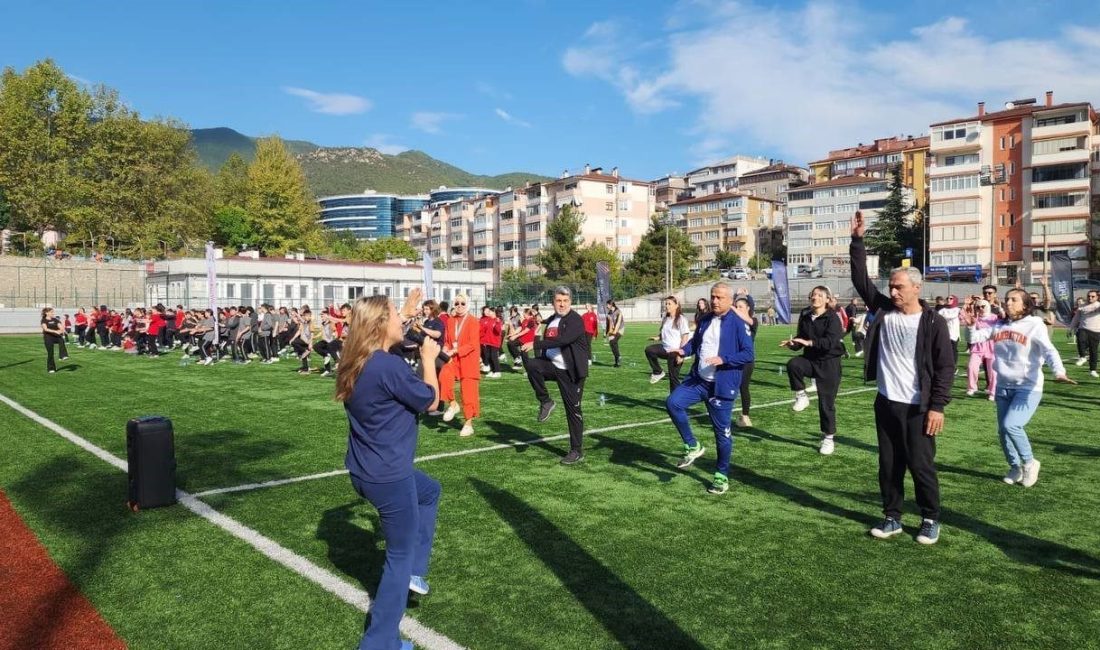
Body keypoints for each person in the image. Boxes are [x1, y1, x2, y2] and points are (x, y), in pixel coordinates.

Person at [335, 291, 441, 650]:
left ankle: (415, 572)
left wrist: (407, 313)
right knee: (398, 557)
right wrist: (429, 360)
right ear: (381, 324)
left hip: (364, 471)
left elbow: (390, 341)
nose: (402, 320)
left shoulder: (356, 358)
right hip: (389, 476)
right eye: (396, 314)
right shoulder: (387, 366)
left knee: (429, 491)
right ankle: (379, 642)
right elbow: (431, 400)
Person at [850, 211, 954, 545]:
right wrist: (857, 241)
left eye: (899, 287)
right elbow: (861, 280)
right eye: (891, 286)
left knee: (921, 465)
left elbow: (945, 367)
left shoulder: (934, 322)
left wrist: (937, 406)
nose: (893, 291)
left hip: (919, 407)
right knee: (889, 464)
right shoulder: (883, 310)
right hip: (887, 402)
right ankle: (892, 516)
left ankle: (930, 518)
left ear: (916, 288)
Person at [968, 289, 1076, 487]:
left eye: (1014, 300)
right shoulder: (999, 325)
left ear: (1025, 305)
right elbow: (975, 338)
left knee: (1012, 425)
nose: (1008, 302)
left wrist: (1059, 371)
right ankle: (1014, 466)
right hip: (1003, 386)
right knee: (1003, 431)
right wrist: (970, 324)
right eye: (1007, 299)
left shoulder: (1034, 324)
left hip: (1027, 387)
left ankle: (1029, 463)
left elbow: (1049, 350)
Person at [665, 282, 754, 495]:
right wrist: (683, 351)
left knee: (721, 433)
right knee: (673, 402)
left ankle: (721, 475)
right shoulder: (704, 319)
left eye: (719, 297)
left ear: (730, 300)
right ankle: (692, 445)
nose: (714, 301)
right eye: (713, 296)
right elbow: (695, 343)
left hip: (722, 385)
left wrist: (724, 359)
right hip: (699, 381)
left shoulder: (738, 323)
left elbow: (748, 354)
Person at [521, 286, 590, 465]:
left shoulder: (575, 320)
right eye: (558, 301)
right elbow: (545, 331)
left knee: (573, 410)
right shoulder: (552, 319)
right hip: (553, 366)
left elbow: (563, 340)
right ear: (553, 302)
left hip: (571, 372)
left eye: (565, 301)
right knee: (532, 365)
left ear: (571, 302)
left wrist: (536, 345)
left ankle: (576, 450)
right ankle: (546, 401)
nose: (562, 304)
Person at [780, 286, 845, 455]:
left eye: (819, 295)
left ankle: (828, 439)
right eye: (813, 295)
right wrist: (793, 344)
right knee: (794, 364)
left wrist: (810, 343)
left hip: (829, 363)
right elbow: (801, 339)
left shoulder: (832, 318)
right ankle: (801, 396)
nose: (815, 297)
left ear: (827, 300)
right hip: (810, 360)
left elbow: (830, 342)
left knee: (826, 404)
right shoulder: (805, 316)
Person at [438, 293, 481, 437]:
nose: (459, 306)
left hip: (469, 360)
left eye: (462, 303)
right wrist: (445, 348)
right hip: (454, 359)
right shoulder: (450, 321)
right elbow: (447, 341)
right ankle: (453, 404)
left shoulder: (473, 321)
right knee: (444, 375)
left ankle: (468, 424)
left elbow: (473, 344)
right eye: (456, 303)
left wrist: (455, 350)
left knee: (468, 393)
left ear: (467, 304)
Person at [645, 296, 691, 391]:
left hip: (675, 352)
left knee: (673, 378)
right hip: (665, 349)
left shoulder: (681, 319)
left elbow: (685, 337)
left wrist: (681, 354)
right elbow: (664, 333)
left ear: (676, 305)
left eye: (669, 304)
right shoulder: (666, 318)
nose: (667, 306)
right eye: (666, 304)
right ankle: (658, 372)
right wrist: (657, 337)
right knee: (649, 350)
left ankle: (675, 398)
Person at [962, 298, 998, 398]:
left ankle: (993, 392)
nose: (981, 309)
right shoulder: (975, 317)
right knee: (971, 367)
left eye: (983, 306)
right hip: (977, 346)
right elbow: (963, 319)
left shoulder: (995, 318)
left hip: (992, 347)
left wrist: (1001, 309)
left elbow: (1004, 321)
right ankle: (971, 388)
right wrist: (965, 307)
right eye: (978, 307)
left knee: (993, 371)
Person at [732, 294, 759, 428]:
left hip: (747, 360)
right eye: (736, 307)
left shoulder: (753, 320)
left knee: (743, 387)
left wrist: (733, 307)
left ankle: (745, 415)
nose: (738, 309)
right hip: (733, 358)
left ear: (748, 308)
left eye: (741, 307)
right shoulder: (734, 322)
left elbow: (748, 320)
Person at [1070, 289, 1100, 378]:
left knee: (1093, 351)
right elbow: (1076, 318)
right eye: (1088, 296)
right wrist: (1071, 328)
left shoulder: (1098, 305)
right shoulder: (1082, 306)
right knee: (1080, 339)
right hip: (1083, 328)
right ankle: (1082, 357)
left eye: (1093, 296)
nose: (1090, 298)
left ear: (1097, 297)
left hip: (1096, 331)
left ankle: (1093, 370)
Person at [938, 295, 962, 376]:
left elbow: (952, 316)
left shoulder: (957, 310)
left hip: (954, 334)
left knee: (953, 351)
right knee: (944, 351)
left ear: (954, 300)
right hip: (944, 333)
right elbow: (938, 317)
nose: (948, 299)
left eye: (951, 298)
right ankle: (945, 366)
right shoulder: (943, 310)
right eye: (947, 298)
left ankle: (953, 367)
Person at [41, 307, 68, 373]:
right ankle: (51, 368)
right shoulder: (44, 320)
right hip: (48, 337)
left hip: (56, 336)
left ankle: (62, 355)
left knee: (61, 339)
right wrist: (55, 331)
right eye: (51, 312)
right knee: (50, 353)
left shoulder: (55, 319)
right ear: (46, 313)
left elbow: (60, 326)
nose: (53, 313)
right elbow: (45, 329)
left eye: (53, 312)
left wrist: (62, 330)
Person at [479, 306, 503, 378]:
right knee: (488, 357)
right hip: (488, 342)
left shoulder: (497, 320)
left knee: (494, 357)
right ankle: (492, 371)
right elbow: (484, 330)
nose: (488, 313)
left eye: (490, 312)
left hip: (494, 342)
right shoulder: (489, 320)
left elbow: (498, 331)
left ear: (494, 313)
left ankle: (497, 371)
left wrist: (497, 323)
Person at [605, 300, 624, 367]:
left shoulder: (618, 312)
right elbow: (608, 324)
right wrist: (606, 333)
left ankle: (618, 357)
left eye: (607, 305)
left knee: (613, 341)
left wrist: (615, 332)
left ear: (611, 305)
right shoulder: (609, 313)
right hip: (612, 330)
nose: (606, 306)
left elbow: (618, 323)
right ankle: (617, 362)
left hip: (620, 329)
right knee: (612, 344)